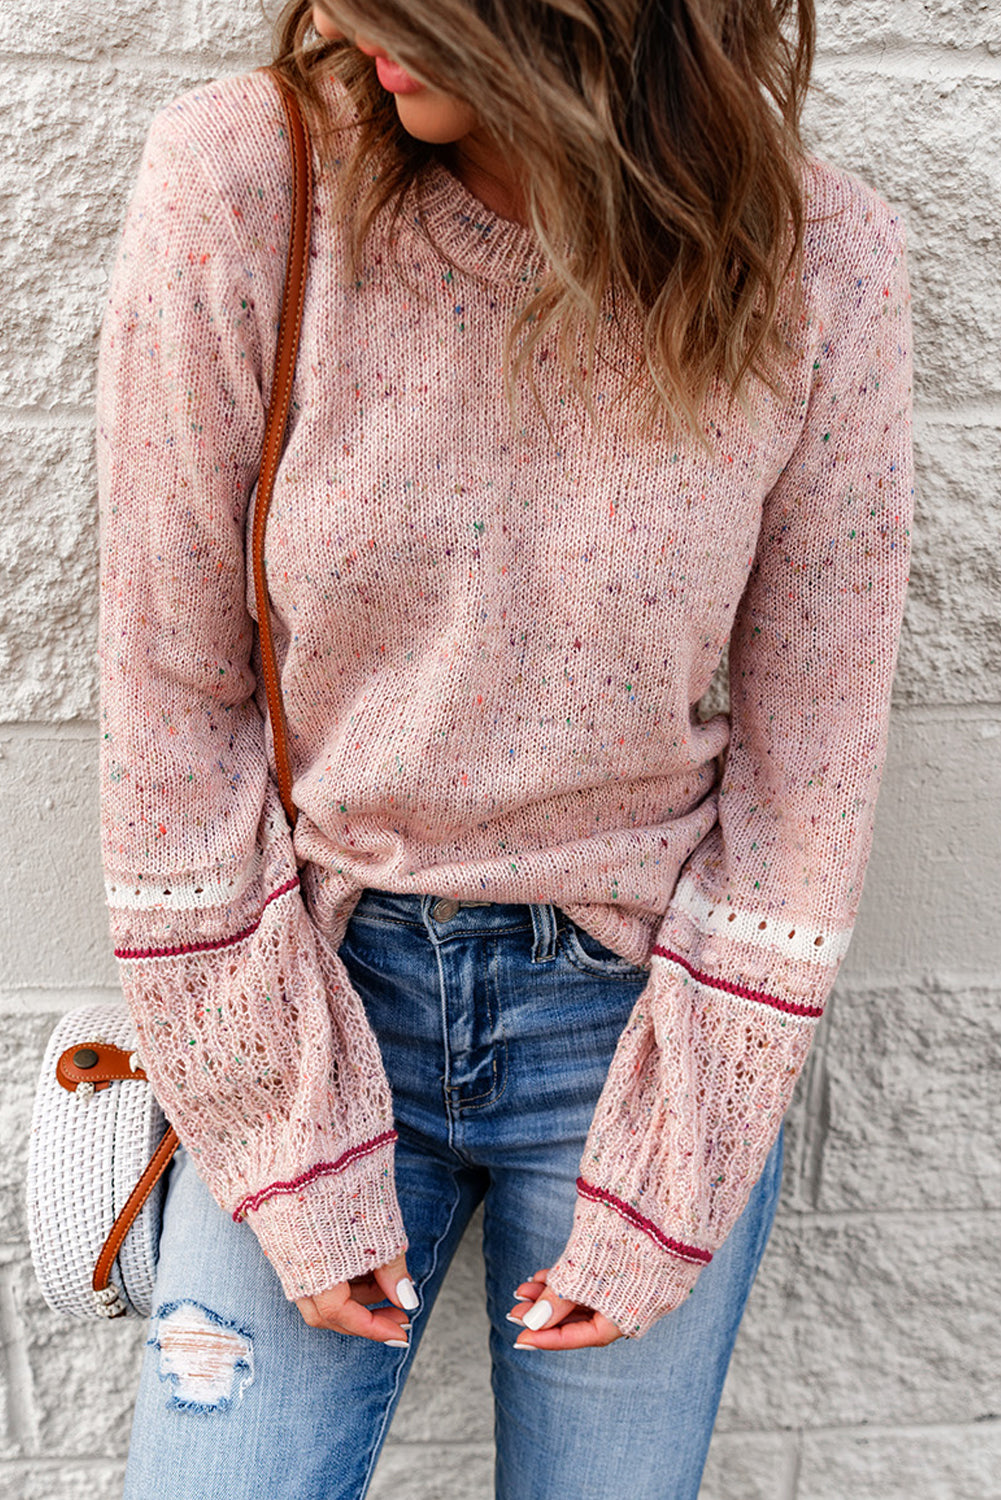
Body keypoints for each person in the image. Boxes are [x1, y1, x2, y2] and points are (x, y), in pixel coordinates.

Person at [96, 0, 913, 1494]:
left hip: (636, 1030)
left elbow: (812, 771)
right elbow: (169, 707)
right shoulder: (246, 184)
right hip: (311, 980)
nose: (340, 14)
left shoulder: (813, 263)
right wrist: (279, 1127)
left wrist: (676, 1157)